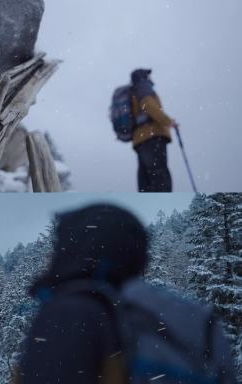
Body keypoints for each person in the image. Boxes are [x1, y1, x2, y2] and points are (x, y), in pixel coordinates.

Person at [12, 204, 237, 384]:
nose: (53, 254)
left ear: (78, 248)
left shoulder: (73, 310)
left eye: (59, 245)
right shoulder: (193, 316)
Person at [130, 69, 178, 192]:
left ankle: (148, 203)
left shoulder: (133, 91)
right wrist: (168, 121)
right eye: (148, 75)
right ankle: (163, 204)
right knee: (159, 177)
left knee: (145, 179)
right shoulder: (143, 87)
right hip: (152, 136)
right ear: (144, 77)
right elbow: (149, 106)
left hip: (140, 139)